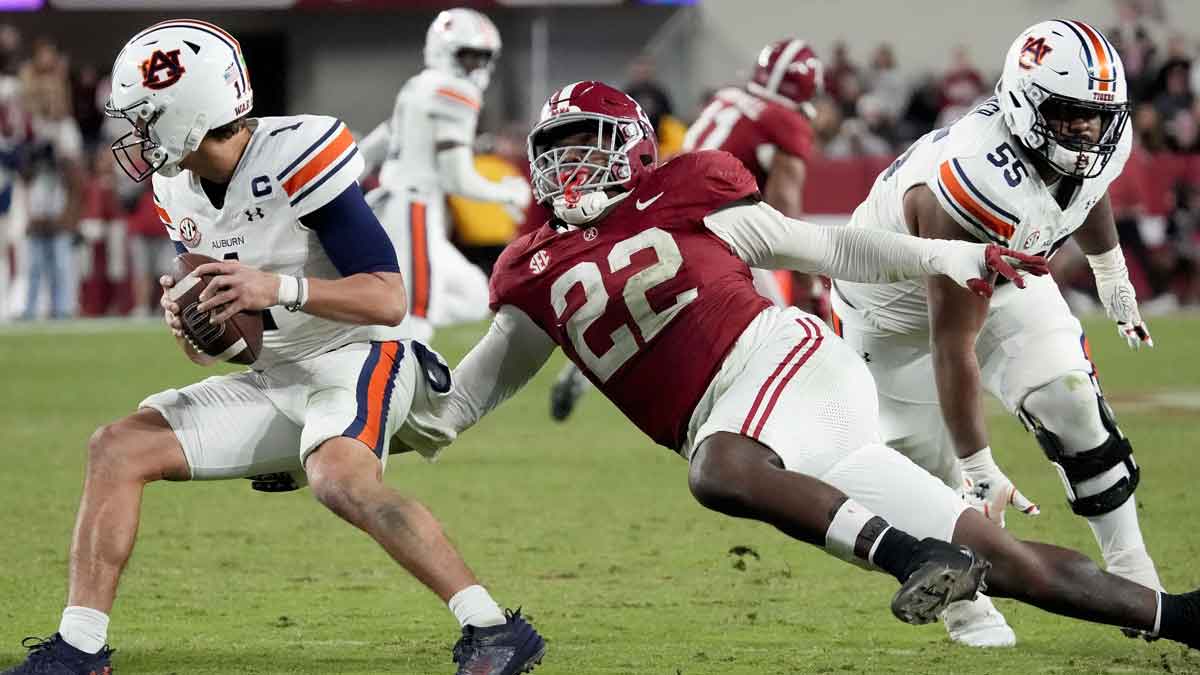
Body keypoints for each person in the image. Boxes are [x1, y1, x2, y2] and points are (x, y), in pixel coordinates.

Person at [393, 80, 1200, 659]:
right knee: (1008, 560)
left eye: (588, 148)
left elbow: (834, 246)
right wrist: (352, 420)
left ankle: (915, 561)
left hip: (784, 364)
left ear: (637, 152)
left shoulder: (689, 196)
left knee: (717, 468)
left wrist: (953, 252)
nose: (570, 168)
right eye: (556, 152)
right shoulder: (531, 272)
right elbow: (452, 407)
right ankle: (1180, 615)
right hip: (792, 442)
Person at [2, 20, 544, 675]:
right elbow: (241, 335)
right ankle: (80, 647)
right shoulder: (175, 184)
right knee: (116, 446)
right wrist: (200, 330)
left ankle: (493, 627)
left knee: (339, 477)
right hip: (278, 372)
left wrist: (277, 285)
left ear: (191, 113)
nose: (137, 136)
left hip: (360, 353)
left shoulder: (295, 153)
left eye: (147, 118)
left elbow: (387, 299)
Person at [830, 20, 1161, 648]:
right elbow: (951, 342)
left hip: (1008, 271)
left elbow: (1086, 192)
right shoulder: (970, 179)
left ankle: (1132, 571)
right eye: (1070, 117)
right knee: (929, 480)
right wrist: (978, 464)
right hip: (891, 317)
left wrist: (1111, 273)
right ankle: (965, 605)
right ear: (1023, 104)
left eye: (1097, 117)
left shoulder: (1092, 142)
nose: (1088, 133)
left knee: (1070, 400)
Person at [546, 38, 825, 426]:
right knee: (777, 329)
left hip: (660, 203)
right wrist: (808, 287)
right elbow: (783, 215)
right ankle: (775, 423)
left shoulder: (728, 98)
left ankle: (584, 370)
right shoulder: (783, 122)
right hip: (711, 220)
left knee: (655, 307)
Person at [359, 7, 529, 344]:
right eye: (468, 56)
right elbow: (457, 179)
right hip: (413, 207)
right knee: (417, 316)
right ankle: (398, 372)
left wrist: (346, 175)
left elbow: (377, 142)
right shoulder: (454, 92)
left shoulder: (418, 85)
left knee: (474, 296)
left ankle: (375, 324)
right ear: (443, 50)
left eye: (482, 58)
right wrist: (508, 193)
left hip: (405, 206)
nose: (476, 67)